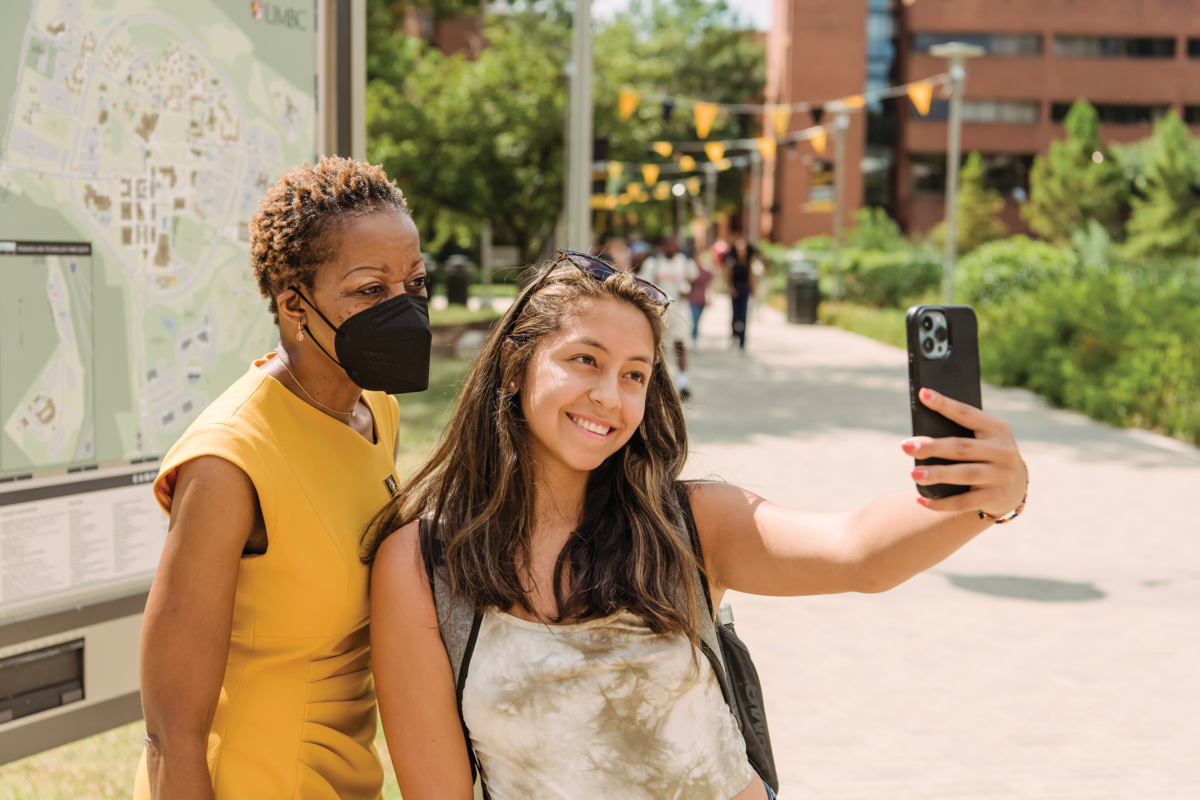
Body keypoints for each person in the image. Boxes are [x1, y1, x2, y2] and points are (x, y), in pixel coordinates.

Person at [365, 251, 1028, 800]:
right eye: (585, 361)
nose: (609, 396)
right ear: (517, 364)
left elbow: (859, 552)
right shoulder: (423, 565)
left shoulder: (688, 522)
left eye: (634, 375)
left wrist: (983, 497)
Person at [135, 157, 431, 800]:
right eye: (370, 290)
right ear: (295, 303)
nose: (404, 309)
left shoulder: (376, 409)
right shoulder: (228, 461)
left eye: (414, 283)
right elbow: (169, 732)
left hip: (346, 776)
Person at [640, 236, 699, 400]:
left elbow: (694, 278)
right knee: (660, 347)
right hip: (660, 311)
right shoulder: (654, 263)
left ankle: (682, 383)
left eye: (674, 245)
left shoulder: (684, 262)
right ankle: (659, 384)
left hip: (679, 309)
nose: (671, 248)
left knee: (680, 345)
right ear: (664, 246)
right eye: (668, 245)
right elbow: (644, 285)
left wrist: (689, 293)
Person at [724, 238, 757, 350]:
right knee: (735, 315)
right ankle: (734, 336)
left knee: (743, 315)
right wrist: (731, 289)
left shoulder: (749, 262)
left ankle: (742, 340)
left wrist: (754, 291)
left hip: (744, 290)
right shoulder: (732, 262)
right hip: (735, 290)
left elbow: (751, 278)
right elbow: (728, 277)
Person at [686, 246, 715, 345]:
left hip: (701, 298)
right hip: (692, 298)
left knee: (698, 320)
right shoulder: (690, 271)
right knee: (693, 319)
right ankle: (692, 338)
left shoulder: (706, 272)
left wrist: (710, 297)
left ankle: (695, 338)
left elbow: (710, 286)